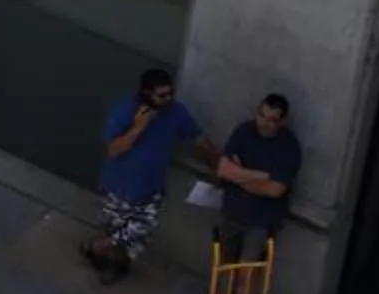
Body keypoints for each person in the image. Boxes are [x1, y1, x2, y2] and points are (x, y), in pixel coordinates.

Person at [81, 66, 214, 282]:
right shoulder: (125, 110)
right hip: (118, 186)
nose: (168, 99)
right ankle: (108, 261)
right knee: (115, 232)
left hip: (150, 189)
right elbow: (114, 150)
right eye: (162, 95)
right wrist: (138, 127)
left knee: (140, 228)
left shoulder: (176, 112)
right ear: (146, 93)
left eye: (170, 93)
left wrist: (218, 165)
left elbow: (199, 139)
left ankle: (97, 247)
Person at [211, 92, 301, 262]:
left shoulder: (289, 146)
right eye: (262, 116)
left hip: (262, 221)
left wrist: (239, 173)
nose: (264, 123)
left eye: (272, 120)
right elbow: (223, 170)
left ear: (281, 122)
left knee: (248, 269)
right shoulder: (244, 131)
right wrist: (264, 176)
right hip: (232, 213)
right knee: (224, 266)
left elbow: (275, 190)